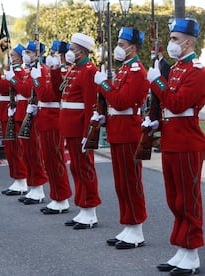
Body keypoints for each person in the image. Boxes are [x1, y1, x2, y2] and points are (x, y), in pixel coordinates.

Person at [146, 18, 205, 275]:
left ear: (188, 42)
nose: (170, 44)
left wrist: (157, 82)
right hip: (172, 140)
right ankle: (181, 248)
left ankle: (192, 253)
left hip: (187, 142)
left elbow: (179, 103)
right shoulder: (179, 68)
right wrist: (155, 122)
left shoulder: (197, 71)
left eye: (174, 39)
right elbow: (169, 107)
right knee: (174, 199)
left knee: (188, 199)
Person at [94, 27, 149, 248]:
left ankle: (137, 229)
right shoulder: (125, 70)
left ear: (132, 48)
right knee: (121, 183)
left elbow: (121, 101)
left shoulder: (136, 71)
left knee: (131, 182)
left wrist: (103, 84)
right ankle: (128, 226)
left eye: (121, 44)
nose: (118, 48)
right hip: (118, 129)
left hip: (128, 132)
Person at [51, 33, 101, 229]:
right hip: (70, 126)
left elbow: (90, 105)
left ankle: (90, 209)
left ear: (82, 51)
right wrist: (55, 69)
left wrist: (88, 132)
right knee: (76, 168)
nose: (69, 52)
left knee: (85, 168)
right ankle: (83, 207)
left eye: (72, 49)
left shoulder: (89, 70)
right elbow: (58, 92)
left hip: (80, 126)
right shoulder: (74, 69)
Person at [33, 40, 73, 214]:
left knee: (55, 160)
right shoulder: (51, 72)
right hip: (45, 118)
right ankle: (56, 196)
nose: (52, 55)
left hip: (54, 119)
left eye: (55, 52)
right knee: (48, 160)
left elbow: (48, 94)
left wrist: (38, 80)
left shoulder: (63, 71)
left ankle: (61, 197)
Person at [11, 41, 48, 205]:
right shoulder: (29, 70)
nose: (26, 55)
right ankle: (32, 186)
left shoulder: (39, 70)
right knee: (26, 152)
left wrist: (12, 79)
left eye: (29, 52)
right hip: (23, 113)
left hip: (32, 116)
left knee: (34, 153)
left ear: (37, 55)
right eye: (25, 52)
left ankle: (38, 188)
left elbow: (26, 91)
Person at [0, 44, 29, 196]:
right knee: (10, 150)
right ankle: (17, 179)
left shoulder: (18, 72)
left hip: (11, 113)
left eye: (13, 56)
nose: (11, 58)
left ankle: (21, 179)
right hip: (5, 112)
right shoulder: (13, 72)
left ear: (20, 57)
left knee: (15, 149)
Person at [149, 45, 171, 153]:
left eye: (154, 52)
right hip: (155, 98)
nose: (152, 54)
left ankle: (161, 144)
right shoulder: (155, 65)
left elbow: (165, 82)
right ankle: (159, 143)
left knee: (161, 121)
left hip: (161, 97)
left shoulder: (165, 65)